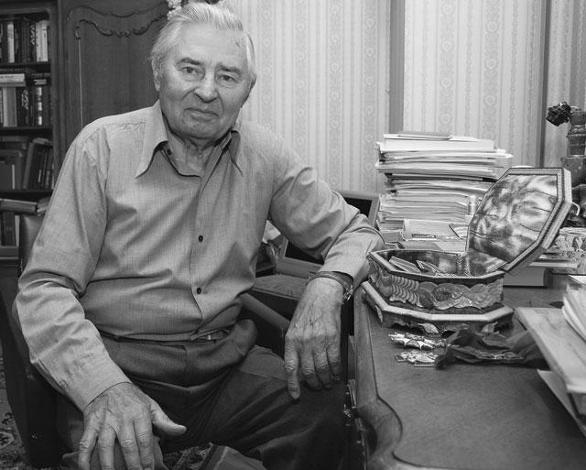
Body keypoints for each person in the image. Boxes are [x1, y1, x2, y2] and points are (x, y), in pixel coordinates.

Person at [13, 3, 383, 470]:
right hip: (117, 360)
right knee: (116, 456)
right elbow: (45, 290)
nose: (207, 91)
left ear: (247, 91)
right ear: (158, 74)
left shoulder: (265, 154)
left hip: (221, 364)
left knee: (328, 417)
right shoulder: (100, 148)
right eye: (190, 69)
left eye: (227, 76)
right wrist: (104, 386)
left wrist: (329, 284)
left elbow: (359, 231)